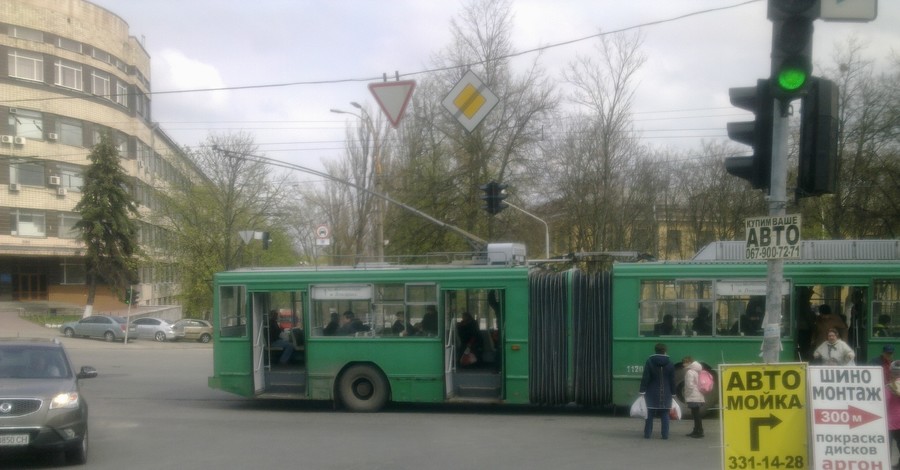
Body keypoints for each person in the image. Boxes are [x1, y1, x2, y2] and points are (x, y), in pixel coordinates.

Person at [639, 343, 676, 439]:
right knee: (665, 414)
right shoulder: (670, 363)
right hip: (666, 392)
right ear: (665, 350)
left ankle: (647, 434)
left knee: (649, 414)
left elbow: (645, 377)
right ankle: (665, 435)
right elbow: (672, 380)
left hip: (651, 392)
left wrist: (642, 390)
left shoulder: (650, 362)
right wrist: (673, 392)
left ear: (655, 350)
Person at [681, 356, 705, 438]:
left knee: (695, 414)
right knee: (696, 414)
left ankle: (699, 431)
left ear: (689, 363)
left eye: (685, 362)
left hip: (693, 395)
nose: (683, 364)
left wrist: (686, 394)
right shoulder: (697, 371)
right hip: (698, 394)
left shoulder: (690, 372)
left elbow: (689, 386)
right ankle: (697, 430)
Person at [886, 360, 900, 468]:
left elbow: (885, 402)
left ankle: (887, 465)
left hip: (890, 422)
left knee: (887, 446)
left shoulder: (889, 387)